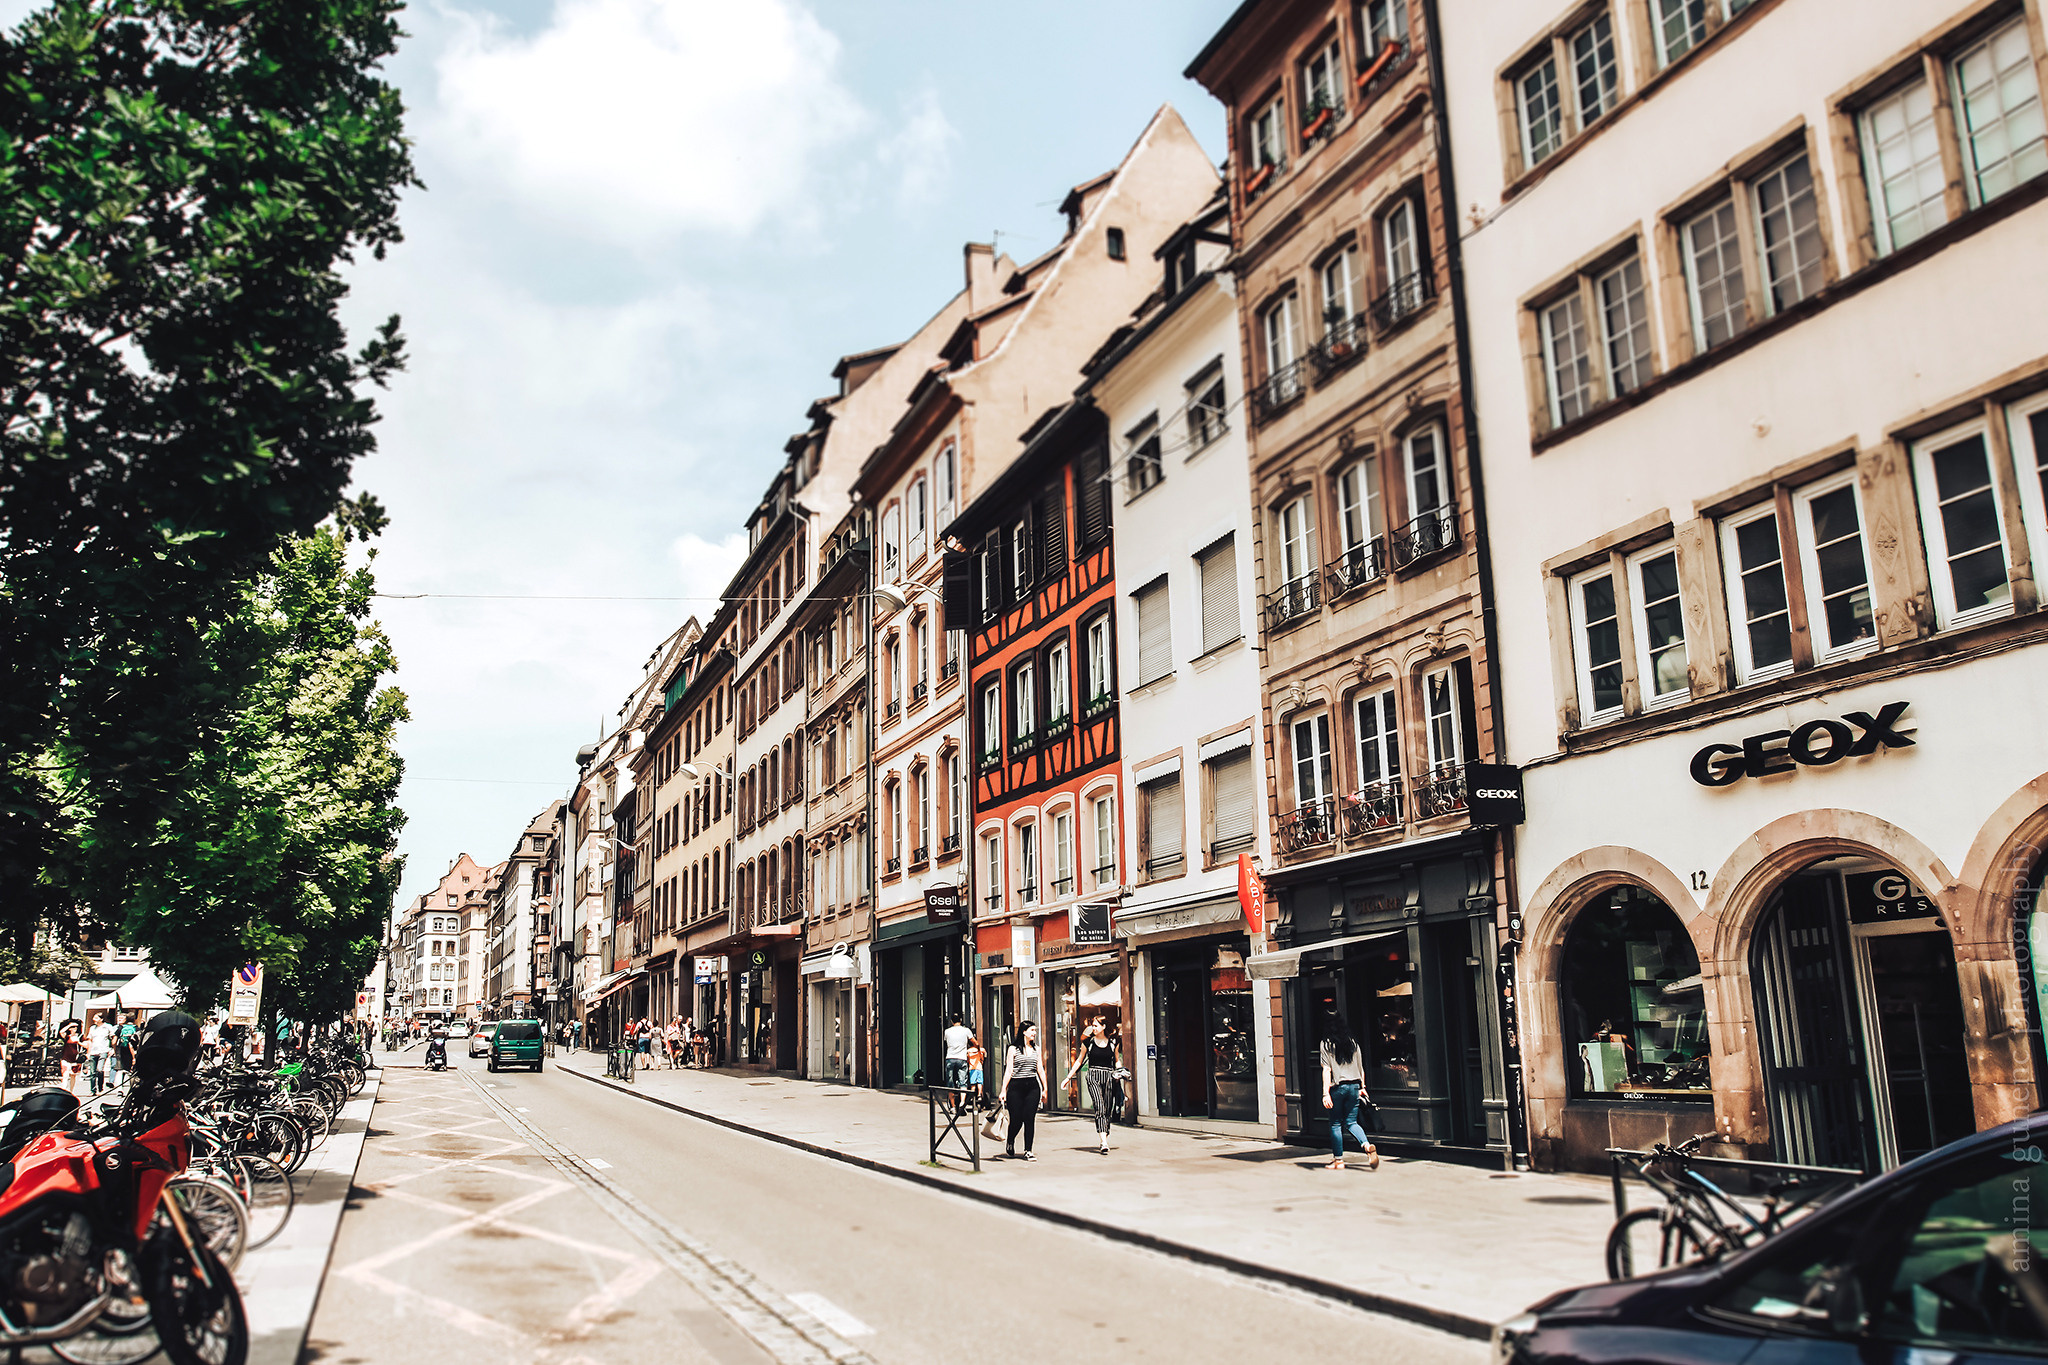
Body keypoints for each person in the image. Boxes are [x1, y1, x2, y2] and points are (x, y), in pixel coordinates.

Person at [1319, 1010, 1381, 1172]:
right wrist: (1363, 1087)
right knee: (1351, 1122)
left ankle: (1338, 1160)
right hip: (1354, 1086)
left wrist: (1326, 1093)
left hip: (1338, 1087)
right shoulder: (1353, 1043)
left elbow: (1327, 1070)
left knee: (1335, 1123)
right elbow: (1361, 1069)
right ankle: (1367, 1146)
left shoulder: (1326, 1044)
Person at [1061, 1016, 1122, 1155]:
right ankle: (1103, 1142)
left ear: (1103, 1027)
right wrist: (1068, 1077)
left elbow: (1117, 1060)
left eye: (1095, 1025)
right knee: (1099, 1107)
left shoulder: (1114, 1042)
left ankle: (1104, 1133)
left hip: (1109, 1077)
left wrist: (1120, 1072)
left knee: (1107, 1110)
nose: (1093, 1028)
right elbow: (1079, 1061)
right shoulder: (1088, 1042)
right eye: (1092, 1025)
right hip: (1093, 1076)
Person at [998, 1021, 1044, 1160]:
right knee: (1017, 1119)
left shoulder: (1037, 1049)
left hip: (1032, 1087)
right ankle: (1010, 1140)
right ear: (1024, 1031)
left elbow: (1040, 1069)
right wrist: (1003, 1090)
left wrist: (1045, 1088)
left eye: (1035, 1030)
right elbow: (1009, 1070)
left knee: (1029, 1118)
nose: (1034, 1033)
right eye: (1032, 1030)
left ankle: (1028, 1150)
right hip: (1016, 1087)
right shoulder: (1013, 1049)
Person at [941, 1014, 972, 1106]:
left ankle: (953, 1106)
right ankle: (962, 1102)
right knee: (963, 1081)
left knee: (950, 1082)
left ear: (951, 1021)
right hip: (962, 1058)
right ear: (961, 1020)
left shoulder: (947, 1031)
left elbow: (946, 1041)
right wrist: (977, 1047)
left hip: (950, 1057)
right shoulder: (966, 1030)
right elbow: (973, 1041)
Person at [86, 1014, 114, 1095]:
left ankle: (100, 1088)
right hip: (93, 1051)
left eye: (96, 1018)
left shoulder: (107, 1027)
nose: (93, 1019)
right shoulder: (92, 1028)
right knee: (92, 1072)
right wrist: (88, 1051)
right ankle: (92, 1090)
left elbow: (112, 1037)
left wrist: (112, 1048)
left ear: (101, 1019)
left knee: (99, 1070)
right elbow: (90, 1040)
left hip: (103, 1050)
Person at [58, 1022, 85, 1097]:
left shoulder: (79, 1037)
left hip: (75, 1059)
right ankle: (63, 1090)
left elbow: (86, 1044)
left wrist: (79, 1042)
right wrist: (69, 1025)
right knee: (65, 1075)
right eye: (73, 1027)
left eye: (75, 1027)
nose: (74, 1029)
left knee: (73, 1075)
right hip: (65, 1058)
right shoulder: (67, 1037)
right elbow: (61, 1032)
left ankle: (71, 1091)